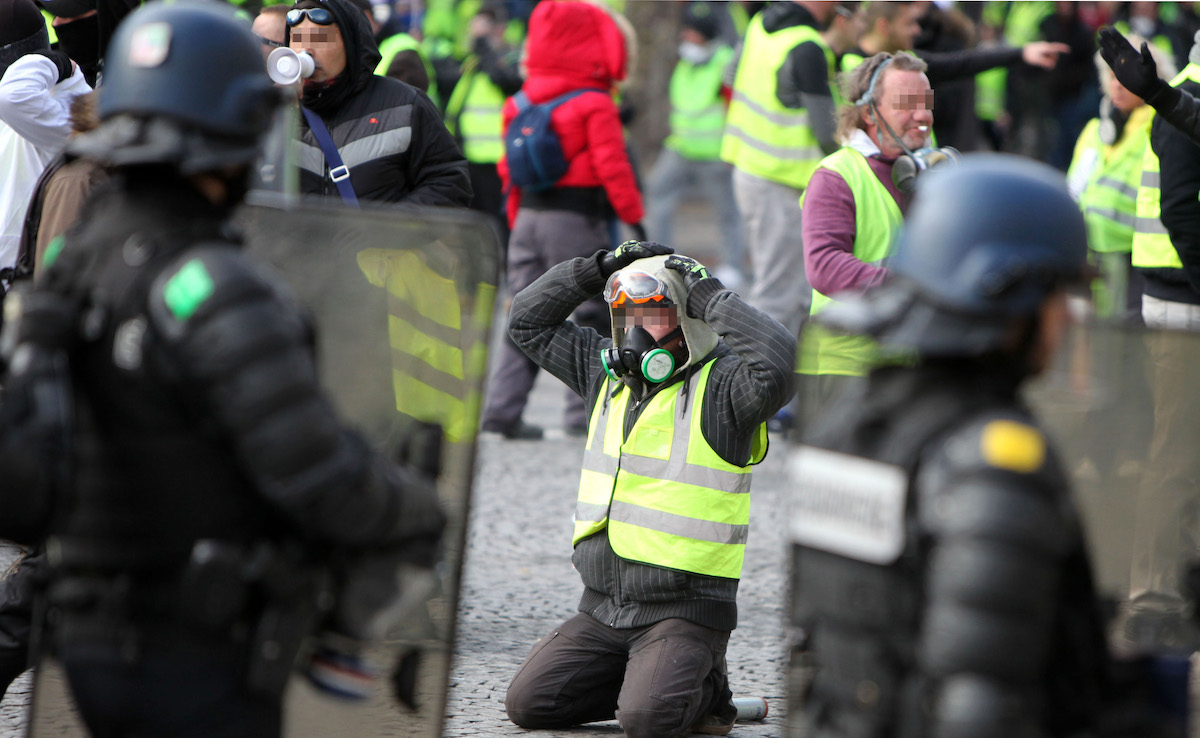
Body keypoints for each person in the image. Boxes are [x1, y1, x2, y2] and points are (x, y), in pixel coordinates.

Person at [0, 2, 445, 734]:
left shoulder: (88, 257)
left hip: (93, 637)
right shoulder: (215, 283)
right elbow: (316, 475)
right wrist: (413, 508)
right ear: (236, 135)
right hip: (195, 645)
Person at [790, 154, 1114, 737]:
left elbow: (815, 655)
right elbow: (981, 707)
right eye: (1063, 296)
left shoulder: (849, 426)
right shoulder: (991, 461)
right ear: (1012, 296)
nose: (1069, 320)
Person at [501, 239, 794, 738]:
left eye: (654, 316)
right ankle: (651, 676)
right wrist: (597, 268)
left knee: (647, 720)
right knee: (529, 704)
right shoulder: (604, 374)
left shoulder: (724, 387)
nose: (635, 331)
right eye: (625, 317)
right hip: (602, 607)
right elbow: (525, 321)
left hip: (684, 610)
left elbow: (780, 362)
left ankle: (707, 695)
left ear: (687, 325)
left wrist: (705, 293)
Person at [478, 0, 643, 440]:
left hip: (527, 219)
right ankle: (584, 414)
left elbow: (507, 173)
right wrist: (635, 220)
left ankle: (502, 411)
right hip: (574, 220)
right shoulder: (594, 101)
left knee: (525, 313)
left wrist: (516, 221)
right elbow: (614, 168)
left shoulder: (518, 101)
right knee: (590, 312)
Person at [1097, 23, 1200, 645]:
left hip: (1182, 295)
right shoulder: (1183, 99)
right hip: (1184, 302)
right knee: (1177, 455)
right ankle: (1153, 593)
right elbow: (1181, 213)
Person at [797, 52, 935, 420]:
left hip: (903, 361)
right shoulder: (835, 176)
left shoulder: (923, 174)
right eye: (907, 104)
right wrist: (909, 287)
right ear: (870, 112)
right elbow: (824, 266)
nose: (922, 116)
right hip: (844, 369)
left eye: (926, 104)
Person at [721, 0, 838, 345]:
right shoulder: (807, 46)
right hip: (781, 183)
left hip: (750, 170)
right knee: (779, 295)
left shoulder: (760, 23)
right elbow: (827, 134)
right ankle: (751, 386)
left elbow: (730, 75)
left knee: (785, 290)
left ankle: (781, 388)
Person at [286, 0, 471, 206]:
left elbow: (449, 183)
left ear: (350, 42)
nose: (306, 50)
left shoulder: (406, 104)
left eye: (320, 39)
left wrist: (392, 228)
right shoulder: (279, 108)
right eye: (297, 38)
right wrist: (269, 116)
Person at [1067, 34, 1175, 322]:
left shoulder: (1158, 130)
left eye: (1125, 78)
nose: (1117, 85)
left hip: (1131, 259)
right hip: (1088, 255)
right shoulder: (1095, 129)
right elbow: (1073, 188)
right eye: (1112, 77)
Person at [643, 3, 743, 289]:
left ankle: (733, 265)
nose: (686, 36)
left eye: (692, 33)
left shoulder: (726, 62)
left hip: (714, 152)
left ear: (706, 35)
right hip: (681, 147)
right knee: (656, 191)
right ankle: (658, 258)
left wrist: (731, 149)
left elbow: (733, 106)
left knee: (727, 210)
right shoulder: (688, 59)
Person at [0, 0, 90, 275]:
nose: (57, 23)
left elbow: (14, 96)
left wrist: (49, 60)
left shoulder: (61, 103)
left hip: (21, 285)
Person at [444, 3, 522, 246]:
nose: (476, 36)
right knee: (474, 226)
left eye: (484, 31)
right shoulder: (472, 62)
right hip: (470, 159)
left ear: (499, 31)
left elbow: (507, 80)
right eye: (474, 30)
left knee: (500, 224)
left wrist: (486, 50)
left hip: (497, 161)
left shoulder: (508, 59)